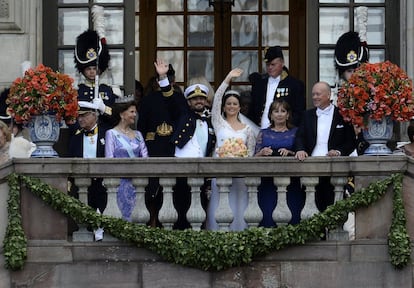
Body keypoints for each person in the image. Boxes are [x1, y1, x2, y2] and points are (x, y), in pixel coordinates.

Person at [206, 68, 256, 231]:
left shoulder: (247, 129)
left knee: (240, 208)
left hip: (241, 176)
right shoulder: (219, 122)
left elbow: (250, 152)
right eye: (229, 104)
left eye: (235, 104)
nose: (231, 106)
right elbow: (217, 98)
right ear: (224, 106)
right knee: (219, 207)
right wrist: (227, 79)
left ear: (240, 107)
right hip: (220, 174)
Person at [294, 81, 356, 213]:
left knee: (333, 205)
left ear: (328, 95)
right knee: (314, 206)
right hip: (312, 165)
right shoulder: (307, 115)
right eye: (313, 94)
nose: (315, 97)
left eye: (318, 94)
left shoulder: (342, 115)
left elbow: (351, 142)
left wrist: (339, 152)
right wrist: (300, 149)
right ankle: (318, 234)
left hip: (334, 166)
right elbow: (300, 137)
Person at [137, 63, 186, 228]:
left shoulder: (177, 98)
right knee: (153, 190)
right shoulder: (149, 100)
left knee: (172, 189)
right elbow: (141, 128)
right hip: (157, 148)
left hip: (169, 147)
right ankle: (153, 223)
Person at [254, 100, 304, 226]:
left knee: (293, 213)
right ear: (271, 115)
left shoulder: (296, 132)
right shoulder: (263, 133)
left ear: (288, 115)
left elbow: (302, 152)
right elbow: (254, 157)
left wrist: (290, 153)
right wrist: (262, 152)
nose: (279, 114)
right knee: (268, 213)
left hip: (291, 181)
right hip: (267, 181)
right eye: (276, 111)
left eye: (283, 111)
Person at [67, 101, 109, 241]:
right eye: (79, 116)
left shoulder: (107, 134)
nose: (80, 119)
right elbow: (70, 160)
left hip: (104, 182)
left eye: (84, 115)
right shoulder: (76, 137)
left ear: (94, 115)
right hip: (83, 183)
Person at [105, 97, 148, 222]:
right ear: (122, 114)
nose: (135, 115)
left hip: (137, 184)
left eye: (135, 112)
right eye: (132, 112)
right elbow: (109, 159)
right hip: (120, 184)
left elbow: (145, 158)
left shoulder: (138, 134)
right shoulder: (111, 134)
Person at [248, 45, 305, 129]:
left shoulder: (294, 85)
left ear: (282, 63)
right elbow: (252, 110)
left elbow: (298, 113)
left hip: (284, 133)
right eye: (267, 65)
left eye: (273, 64)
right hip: (259, 132)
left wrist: (288, 130)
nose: (270, 67)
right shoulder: (259, 84)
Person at [74, 29, 116, 130]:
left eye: (94, 68)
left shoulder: (107, 90)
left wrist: (104, 108)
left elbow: (116, 117)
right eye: (88, 69)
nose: (92, 72)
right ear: (83, 71)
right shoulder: (78, 91)